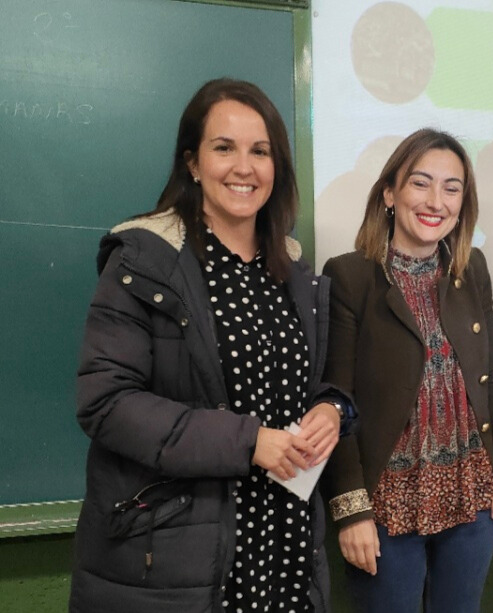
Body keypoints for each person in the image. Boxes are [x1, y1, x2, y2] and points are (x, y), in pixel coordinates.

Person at [70, 78, 354, 613]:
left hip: (286, 549)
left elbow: (312, 383)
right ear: (193, 164)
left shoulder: (294, 272)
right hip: (178, 558)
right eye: (224, 148)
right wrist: (247, 442)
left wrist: (331, 409)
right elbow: (106, 402)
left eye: (260, 151)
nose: (244, 168)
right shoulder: (144, 261)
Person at [320, 128, 493, 613]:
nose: (436, 201)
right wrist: (351, 511)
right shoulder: (349, 275)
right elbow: (334, 401)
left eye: (452, 188)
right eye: (420, 183)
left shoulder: (471, 268)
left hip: (471, 494)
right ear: (389, 194)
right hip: (386, 505)